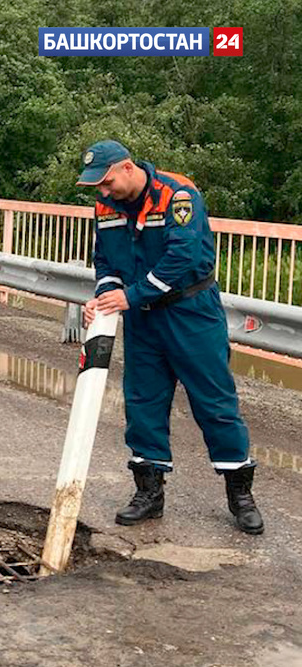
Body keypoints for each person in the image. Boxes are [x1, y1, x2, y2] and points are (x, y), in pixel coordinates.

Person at [78, 140, 263, 535]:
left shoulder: (178, 195)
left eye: (107, 182)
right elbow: (106, 262)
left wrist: (128, 295)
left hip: (190, 312)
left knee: (214, 402)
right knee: (142, 403)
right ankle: (149, 492)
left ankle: (240, 494)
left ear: (127, 168)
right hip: (143, 320)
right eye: (97, 186)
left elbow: (181, 258)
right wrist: (104, 298)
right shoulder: (106, 207)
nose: (103, 191)